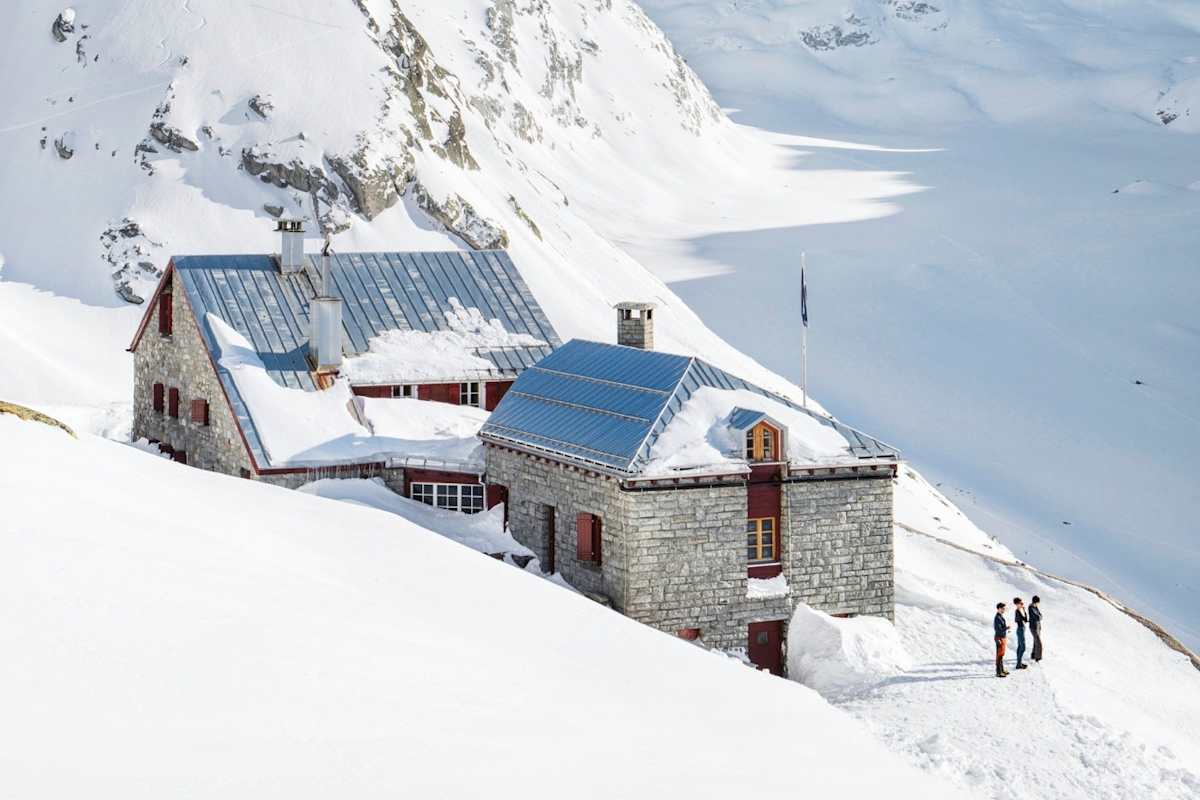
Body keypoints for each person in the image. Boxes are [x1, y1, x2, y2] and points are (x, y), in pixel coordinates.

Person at [994, 601, 1009, 677]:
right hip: (999, 637)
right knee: (999, 655)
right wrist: (1006, 628)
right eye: (1002, 608)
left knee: (1001, 654)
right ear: (999, 609)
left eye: (1004, 609)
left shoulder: (1000, 616)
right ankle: (998, 672)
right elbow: (998, 629)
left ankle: (1002, 670)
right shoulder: (997, 618)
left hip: (1002, 637)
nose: (1004, 610)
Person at [1013, 597, 1029, 669]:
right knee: (1023, 647)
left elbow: (1025, 620)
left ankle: (1019, 663)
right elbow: (1017, 620)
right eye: (1020, 603)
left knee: (1020, 646)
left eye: (1022, 602)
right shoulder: (1017, 611)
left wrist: (1024, 610)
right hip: (1020, 630)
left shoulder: (1021, 610)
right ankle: (1018, 664)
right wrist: (1022, 614)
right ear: (1016, 604)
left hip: (1022, 629)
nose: (1022, 603)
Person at [1029, 595, 1043, 662]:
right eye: (1038, 602)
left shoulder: (1035, 607)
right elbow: (1037, 617)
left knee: (1035, 641)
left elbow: (1040, 615)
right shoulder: (1031, 608)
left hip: (1038, 626)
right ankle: (1038, 657)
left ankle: (1033, 655)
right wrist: (1039, 617)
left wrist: (1039, 617)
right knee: (1039, 642)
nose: (1038, 604)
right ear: (1035, 602)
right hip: (1033, 627)